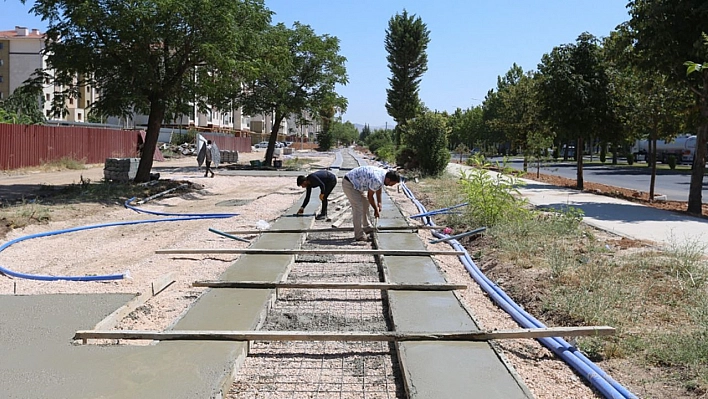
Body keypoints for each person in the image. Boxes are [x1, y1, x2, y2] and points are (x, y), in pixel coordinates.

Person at [342, 166, 401, 241]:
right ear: (388, 179)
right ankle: (359, 235)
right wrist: (376, 210)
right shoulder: (377, 179)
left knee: (365, 203)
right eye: (392, 184)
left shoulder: (384, 174)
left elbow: (378, 188)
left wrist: (379, 202)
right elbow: (370, 196)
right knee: (358, 208)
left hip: (357, 183)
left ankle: (366, 226)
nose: (392, 185)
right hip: (349, 183)